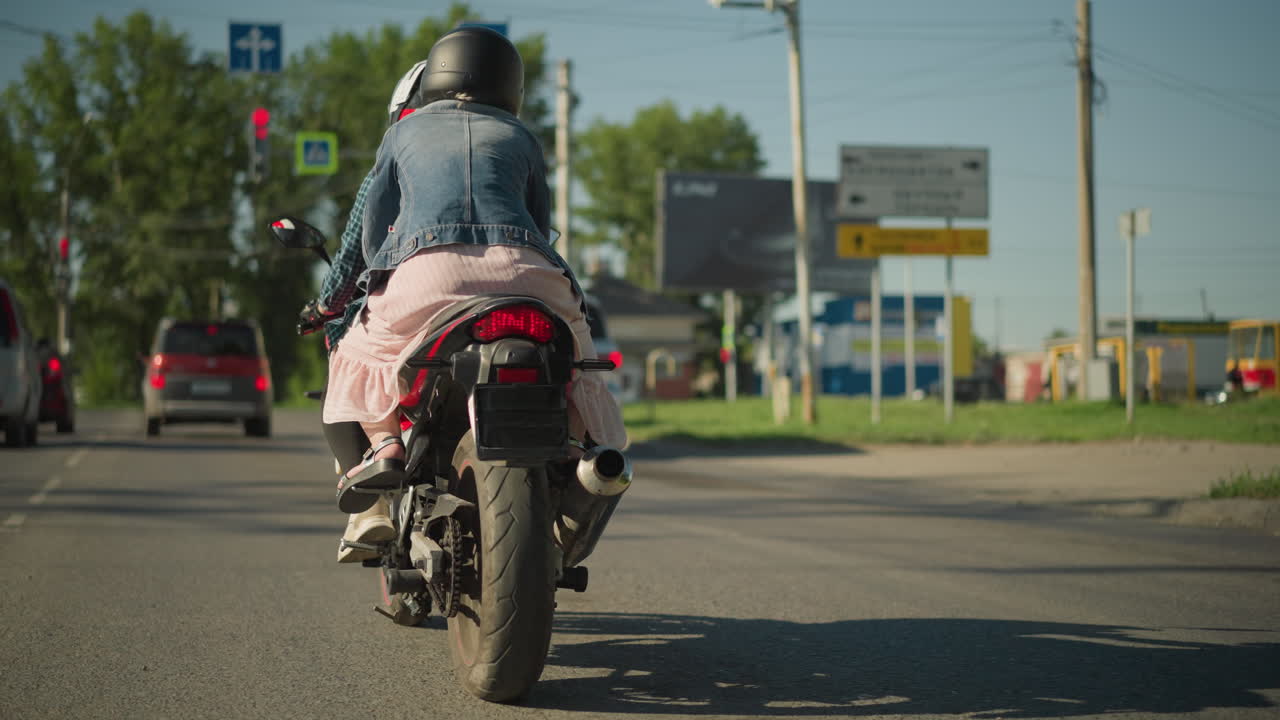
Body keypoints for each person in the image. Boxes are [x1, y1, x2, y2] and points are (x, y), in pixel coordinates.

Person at [318, 26, 627, 558]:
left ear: (437, 73)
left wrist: (342, 299)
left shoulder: (402, 134)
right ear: (510, 86)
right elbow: (541, 224)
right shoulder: (521, 137)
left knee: (356, 352)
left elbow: (368, 236)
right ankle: (580, 457)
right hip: (530, 275)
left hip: (429, 279)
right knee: (577, 365)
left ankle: (385, 447)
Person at [301, 56, 437, 562]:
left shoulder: (395, 156)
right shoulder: (510, 146)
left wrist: (323, 307)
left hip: (411, 300)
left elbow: (358, 251)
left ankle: (372, 506)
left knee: (347, 361)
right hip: (513, 289)